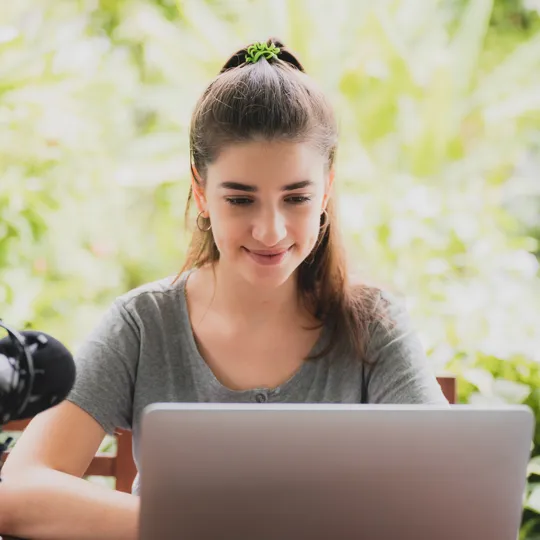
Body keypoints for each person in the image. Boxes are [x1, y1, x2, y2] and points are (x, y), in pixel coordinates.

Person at [0, 38, 448, 540]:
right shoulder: (144, 324)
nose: (271, 230)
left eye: (296, 198)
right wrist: (193, 527)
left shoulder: (373, 324)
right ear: (201, 192)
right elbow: (16, 493)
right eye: (241, 200)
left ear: (326, 190)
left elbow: (448, 497)